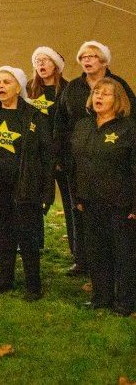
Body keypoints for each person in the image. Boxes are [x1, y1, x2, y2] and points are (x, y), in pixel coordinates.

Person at [54, 40, 136, 276]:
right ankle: (83, 259)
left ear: (104, 61)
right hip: (78, 159)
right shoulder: (73, 89)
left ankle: (116, 271)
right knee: (80, 211)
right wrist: (60, 155)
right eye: (83, 57)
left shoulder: (118, 85)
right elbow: (60, 122)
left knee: (114, 222)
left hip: (112, 160)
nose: (87, 60)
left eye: (92, 56)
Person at [0, 67, 52, 300]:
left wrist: (46, 191)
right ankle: (5, 277)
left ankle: (33, 284)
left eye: (6, 82)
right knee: (4, 234)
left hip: (25, 187)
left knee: (27, 236)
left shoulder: (33, 116)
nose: (0, 86)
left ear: (18, 87)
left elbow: (47, 156)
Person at [71, 78, 136, 315]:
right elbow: (75, 164)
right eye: (96, 92)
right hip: (89, 200)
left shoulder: (129, 129)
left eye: (106, 94)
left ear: (117, 100)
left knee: (123, 253)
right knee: (96, 251)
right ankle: (101, 297)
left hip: (120, 202)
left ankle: (125, 301)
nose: (98, 97)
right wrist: (77, 196)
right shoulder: (83, 126)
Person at [28, 47, 70, 259]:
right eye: (37, 61)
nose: (41, 65)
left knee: (71, 204)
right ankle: (33, 243)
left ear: (56, 65)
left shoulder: (67, 90)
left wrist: (61, 156)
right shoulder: (29, 88)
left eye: (45, 60)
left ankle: (78, 253)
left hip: (61, 155)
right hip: (36, 155)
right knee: (33, 199)